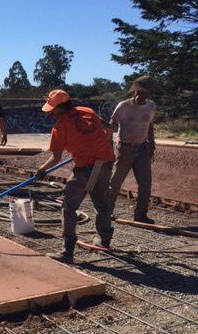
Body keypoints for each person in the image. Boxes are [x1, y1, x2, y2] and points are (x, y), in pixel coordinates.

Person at [37, 90, 115, 263]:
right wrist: (96, 144)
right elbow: (109, 128)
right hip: (105, 162)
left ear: (62, 107)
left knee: (68, 207)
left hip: (86, 168)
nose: (50, 112)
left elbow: (56, 158)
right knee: (102, 203)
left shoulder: (59, 127)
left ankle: (67, 251)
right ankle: (104, 240)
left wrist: (41, 170)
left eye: (52, 109)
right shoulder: (87, 111)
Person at [108, 77, 156, 224]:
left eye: (145, 93)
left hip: (142, 148)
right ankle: (106, 212)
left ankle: (140, 215)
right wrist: (107, 143)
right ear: (135, 91)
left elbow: (150, 125)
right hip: (124, 148)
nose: (142, 95)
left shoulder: (151, 106)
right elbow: (112, 124)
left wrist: (152, 143)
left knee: (145, 183)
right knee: (115, 182)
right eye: (140, 92)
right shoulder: (123, 106)